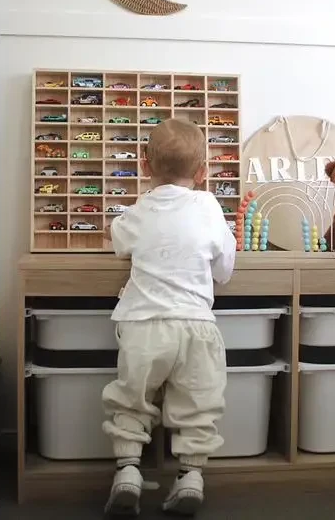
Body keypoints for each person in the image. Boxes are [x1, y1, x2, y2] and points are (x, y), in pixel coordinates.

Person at [102, 119, 236, 516]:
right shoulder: (209, 207)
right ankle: (190, 476)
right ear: (203, 172)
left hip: (143, 324)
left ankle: (128, 470)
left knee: (132, 399)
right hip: (196, 325)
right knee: (199, 404)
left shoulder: (140, 209)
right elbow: (224, 270)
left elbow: (118, 241)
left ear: (144, 166)